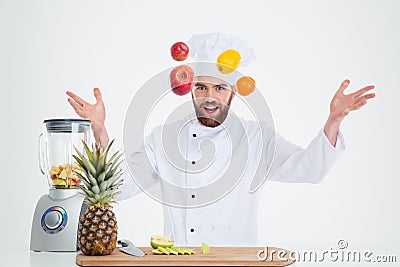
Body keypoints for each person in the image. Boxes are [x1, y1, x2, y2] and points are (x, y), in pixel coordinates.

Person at [66, 33, 375, 246]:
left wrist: (333, 120)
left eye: (219, 88)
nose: (210, 98)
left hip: (238, 262)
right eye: (201, 88)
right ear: (190, 89)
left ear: (233, 92)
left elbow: (310, 170)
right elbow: (120, 186)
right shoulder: (163, 138)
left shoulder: (258, 138)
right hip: (179, 262)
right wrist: (99, 128)